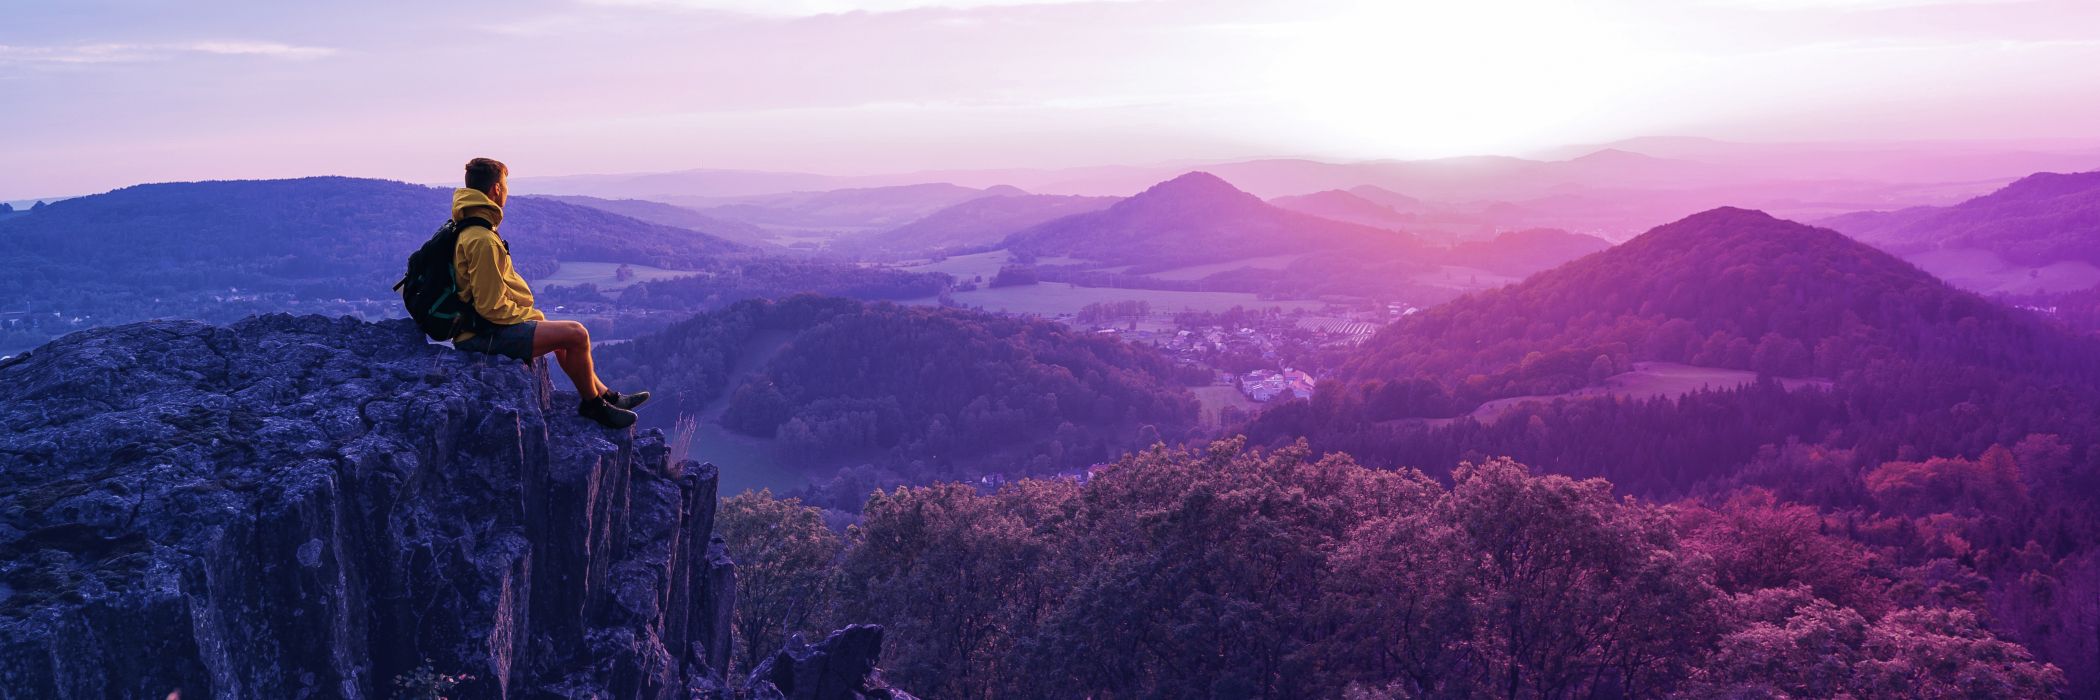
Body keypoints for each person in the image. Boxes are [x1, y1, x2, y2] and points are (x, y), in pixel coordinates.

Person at [449, 157, 648, 428]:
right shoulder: (482, 239)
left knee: (559, 331)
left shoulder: (471, 227)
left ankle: (605, 395)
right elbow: (490, 308)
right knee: (577, 334)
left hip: (479, 328)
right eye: (505, 186)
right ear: (496, 189)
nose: (506, 192)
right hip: (482, 335)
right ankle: (594, 406)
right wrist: (527, 317)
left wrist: (533, 319)